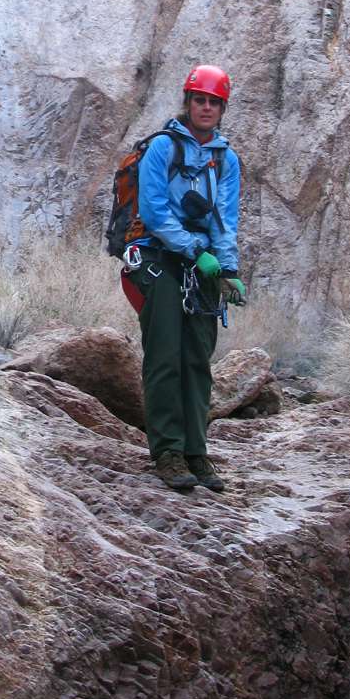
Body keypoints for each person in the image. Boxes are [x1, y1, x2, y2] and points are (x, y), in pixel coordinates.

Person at [120, 65, 245, 493]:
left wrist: (228, 269)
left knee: (197, 359)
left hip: (202, 265)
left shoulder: (225, 160)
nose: (206, 108)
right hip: (158, 257)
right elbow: (155, 213)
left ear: (222, 108)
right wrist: (196, 251)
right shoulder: (162, 148)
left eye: (214, 102)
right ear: (188, 103)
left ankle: (196, 452)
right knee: (165, 354)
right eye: (199, 100)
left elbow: (225, 220)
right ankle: (168, 452)